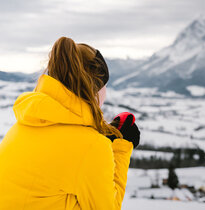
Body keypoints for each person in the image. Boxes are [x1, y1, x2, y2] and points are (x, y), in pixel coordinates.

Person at [0, 36, 140, 209]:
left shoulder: (23, 125)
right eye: (105, 85)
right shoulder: (92, 146)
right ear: (94, 88)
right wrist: (121, 148)